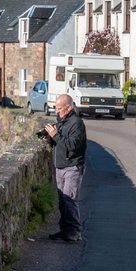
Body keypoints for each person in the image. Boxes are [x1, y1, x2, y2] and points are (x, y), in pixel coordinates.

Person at [43, 93, 87, 242]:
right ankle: (65, 230)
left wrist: (55, 135)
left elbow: (72, 147)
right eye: (56, 108)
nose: (57, 111)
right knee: (62, 200)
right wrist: (50, 137)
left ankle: (75, 232)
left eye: (60, 108)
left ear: (68, 108)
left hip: (72, 166)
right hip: (60, 166)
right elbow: (59, 145)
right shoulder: (61, 122)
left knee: (70, 200)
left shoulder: (77, 123)